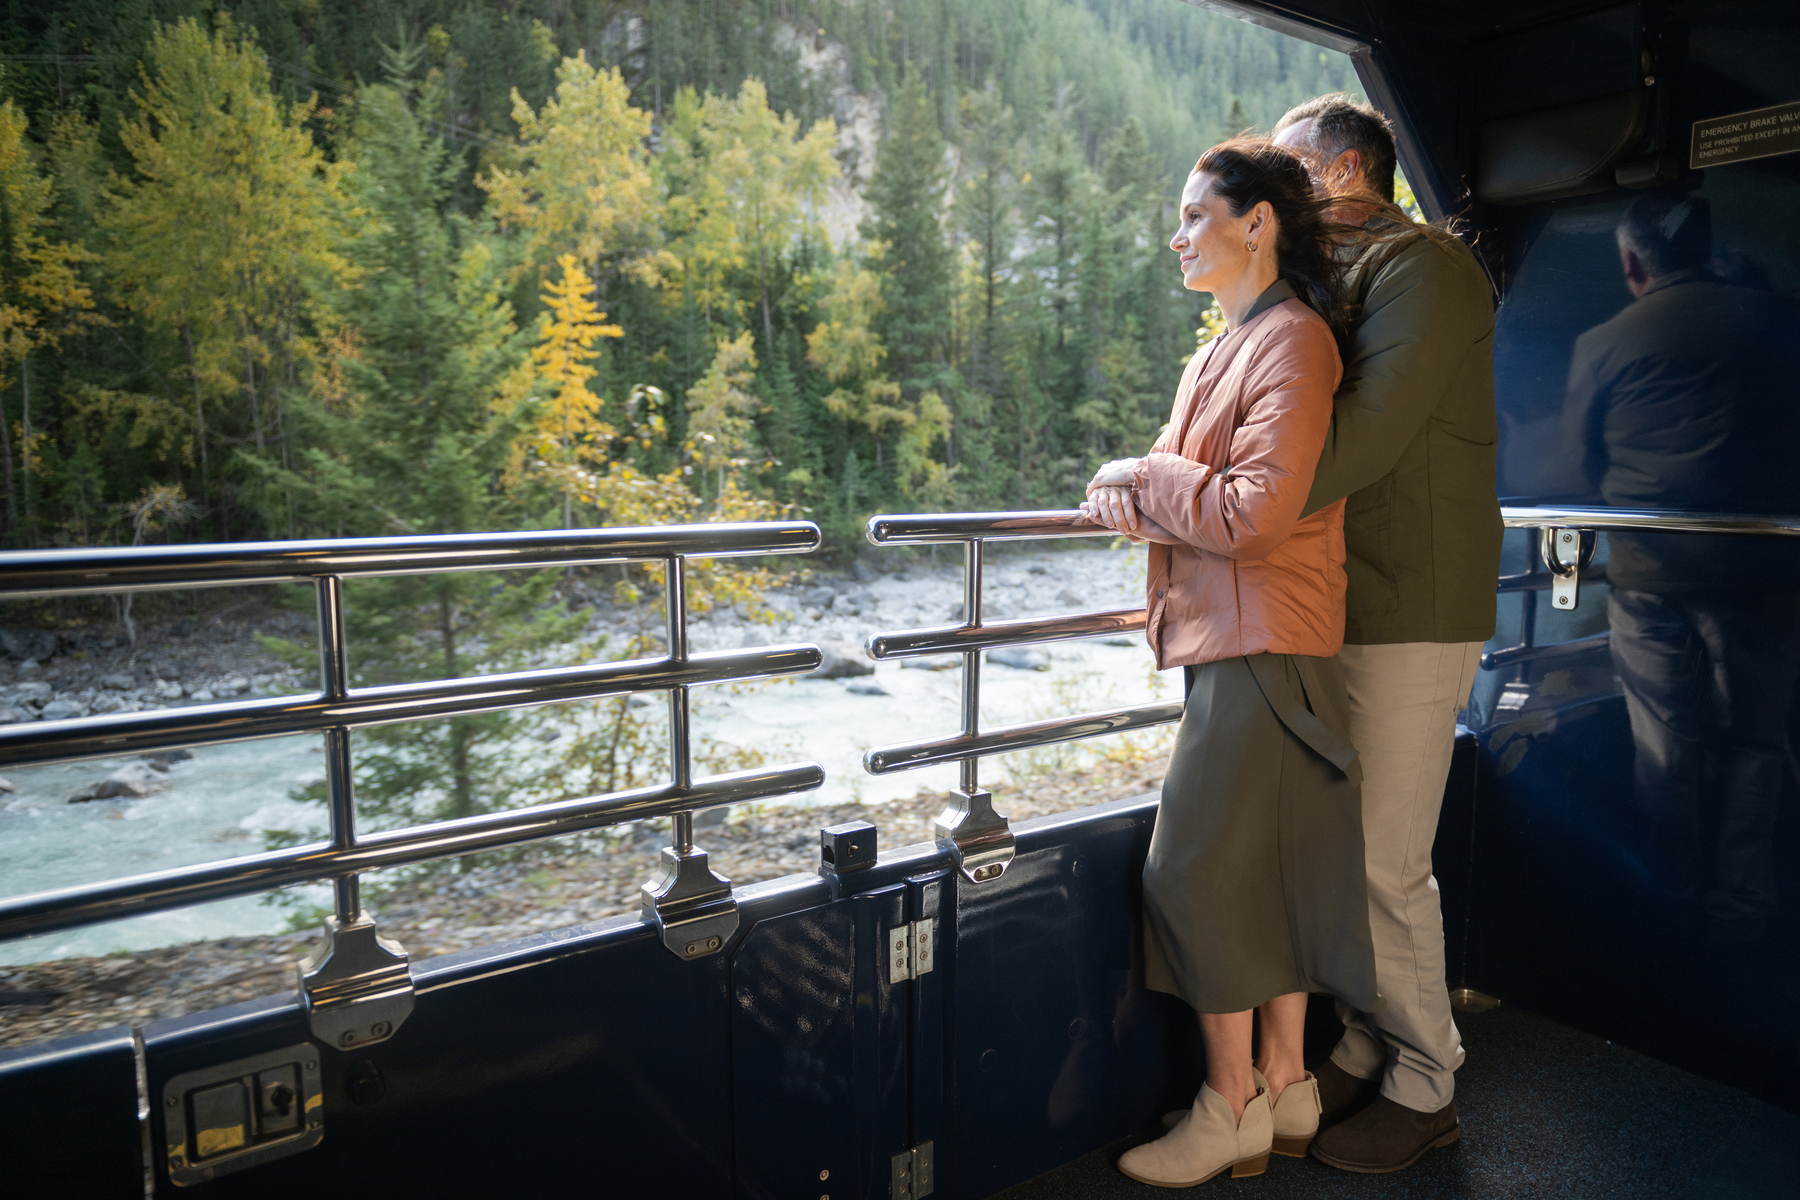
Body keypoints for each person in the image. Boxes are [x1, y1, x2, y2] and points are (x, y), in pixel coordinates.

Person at [1079, 137, 1381, 1188]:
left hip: (1265, 643)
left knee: (1194, 875)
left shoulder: (1293, 343)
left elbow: (1250, 514)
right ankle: (1286, 1088)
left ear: (1259, 223)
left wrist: (1143, 474)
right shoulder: (1221, 350)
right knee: (1267, 877)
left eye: (1196, 215)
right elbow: (1174, 494)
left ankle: (1228, 1104)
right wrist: (1142, 488)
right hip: (1241, 641)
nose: (1178, 235)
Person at [1266, 94, 1502, 1173]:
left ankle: (1427, 1082)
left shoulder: (1427, 273)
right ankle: (1368, 1032)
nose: (1276, 197)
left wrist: (1223, 504)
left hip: (1415, 604)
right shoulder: (1332, 283)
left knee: (1384, 861)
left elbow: (1361, 434)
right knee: (1342, 850)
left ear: (1350, 171)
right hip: (1341, 599)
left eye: (1293, 172)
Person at [1565, 191, 1800, 945]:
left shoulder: (1603, 342)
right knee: (1755, 742)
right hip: (1763, 570)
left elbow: (1581, 464)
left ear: (1633, 263)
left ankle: (1669, 905)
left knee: (1665, 746)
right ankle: (1744, 910)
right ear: (1703, 249)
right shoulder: (1774, 324)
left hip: (1650, 574)